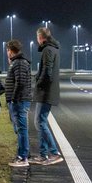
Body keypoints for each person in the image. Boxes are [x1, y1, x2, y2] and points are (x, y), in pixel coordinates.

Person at [31, 27, 64, 165]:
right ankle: (43, 154)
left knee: (39, 121)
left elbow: (47, 72)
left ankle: (54, 152)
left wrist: (38, 83)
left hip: (46, 92)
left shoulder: (47, 50)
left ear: (40, 37)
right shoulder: (53, 49)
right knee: (40, 121)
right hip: (48, 91)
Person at [4, 39, 32, 168]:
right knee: (19, 129)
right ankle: (24, 153)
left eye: (8, 50)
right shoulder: (18, 62)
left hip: (19, 101)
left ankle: (23, 157)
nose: (7, 53)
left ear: (10, 50)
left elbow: (19, 82)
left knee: (21, 129)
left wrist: (14, 98)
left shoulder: (19, 63)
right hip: (18, 100)